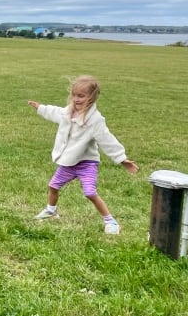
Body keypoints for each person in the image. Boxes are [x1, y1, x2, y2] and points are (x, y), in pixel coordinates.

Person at [28, 75, 138, 234]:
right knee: (53, 186)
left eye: (81, 96)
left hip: (86, 163)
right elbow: (56, 112)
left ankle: (110, 221)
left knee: (90, 192)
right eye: (74, 95)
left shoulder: (95, 120)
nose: (76, 99)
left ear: (91, 98)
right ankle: (51, 211)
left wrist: (122, 159)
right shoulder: (69, 112)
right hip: (69, 162)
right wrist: (41, 108)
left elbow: (107, 139)